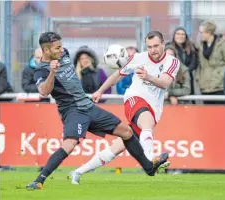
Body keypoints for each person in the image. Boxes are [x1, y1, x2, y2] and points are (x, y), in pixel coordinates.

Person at [26, 32, 168, 190]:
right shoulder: (41, 70)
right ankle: (39, 180)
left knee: (126, 132)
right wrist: (52, 72)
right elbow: (44, 92)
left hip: (88, 106)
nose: (62, 49)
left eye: (61, 46)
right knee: (70, 144)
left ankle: (149, 167)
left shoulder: (64, 54)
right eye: (57, 47)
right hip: (72, 110)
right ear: (46, 51)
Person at [69, 31, 180, 184]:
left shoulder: (172, 62)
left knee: (117, 147)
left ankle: (77, 172)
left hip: (154, 106)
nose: (153, 50)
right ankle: (150, 162)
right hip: (135, 98)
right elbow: (117, 75)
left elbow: (165, 83)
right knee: (147, 123)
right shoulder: (138, 58)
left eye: (156, 46)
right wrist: (100, 90)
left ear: (163, 44)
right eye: (149, 47)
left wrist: (148, 76)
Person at [196, 20, 225, 104]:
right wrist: (199, 78)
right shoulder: (201, 45)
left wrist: (221, 75)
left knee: (219, 114)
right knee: (207, 115)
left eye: (202, 32)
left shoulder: (222, 44)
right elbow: (200, 64)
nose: (200, 35)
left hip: (219, 86)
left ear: (209, 32)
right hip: (205, 86)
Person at [167, 27, 198, 96]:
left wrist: (185, 71)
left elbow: (194, 62)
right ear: (174, 35)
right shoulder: (169, 48)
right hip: (174, 76)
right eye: (178, 34)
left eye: (183, 34)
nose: (180, 36)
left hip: (187, 76)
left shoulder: (191, 47)